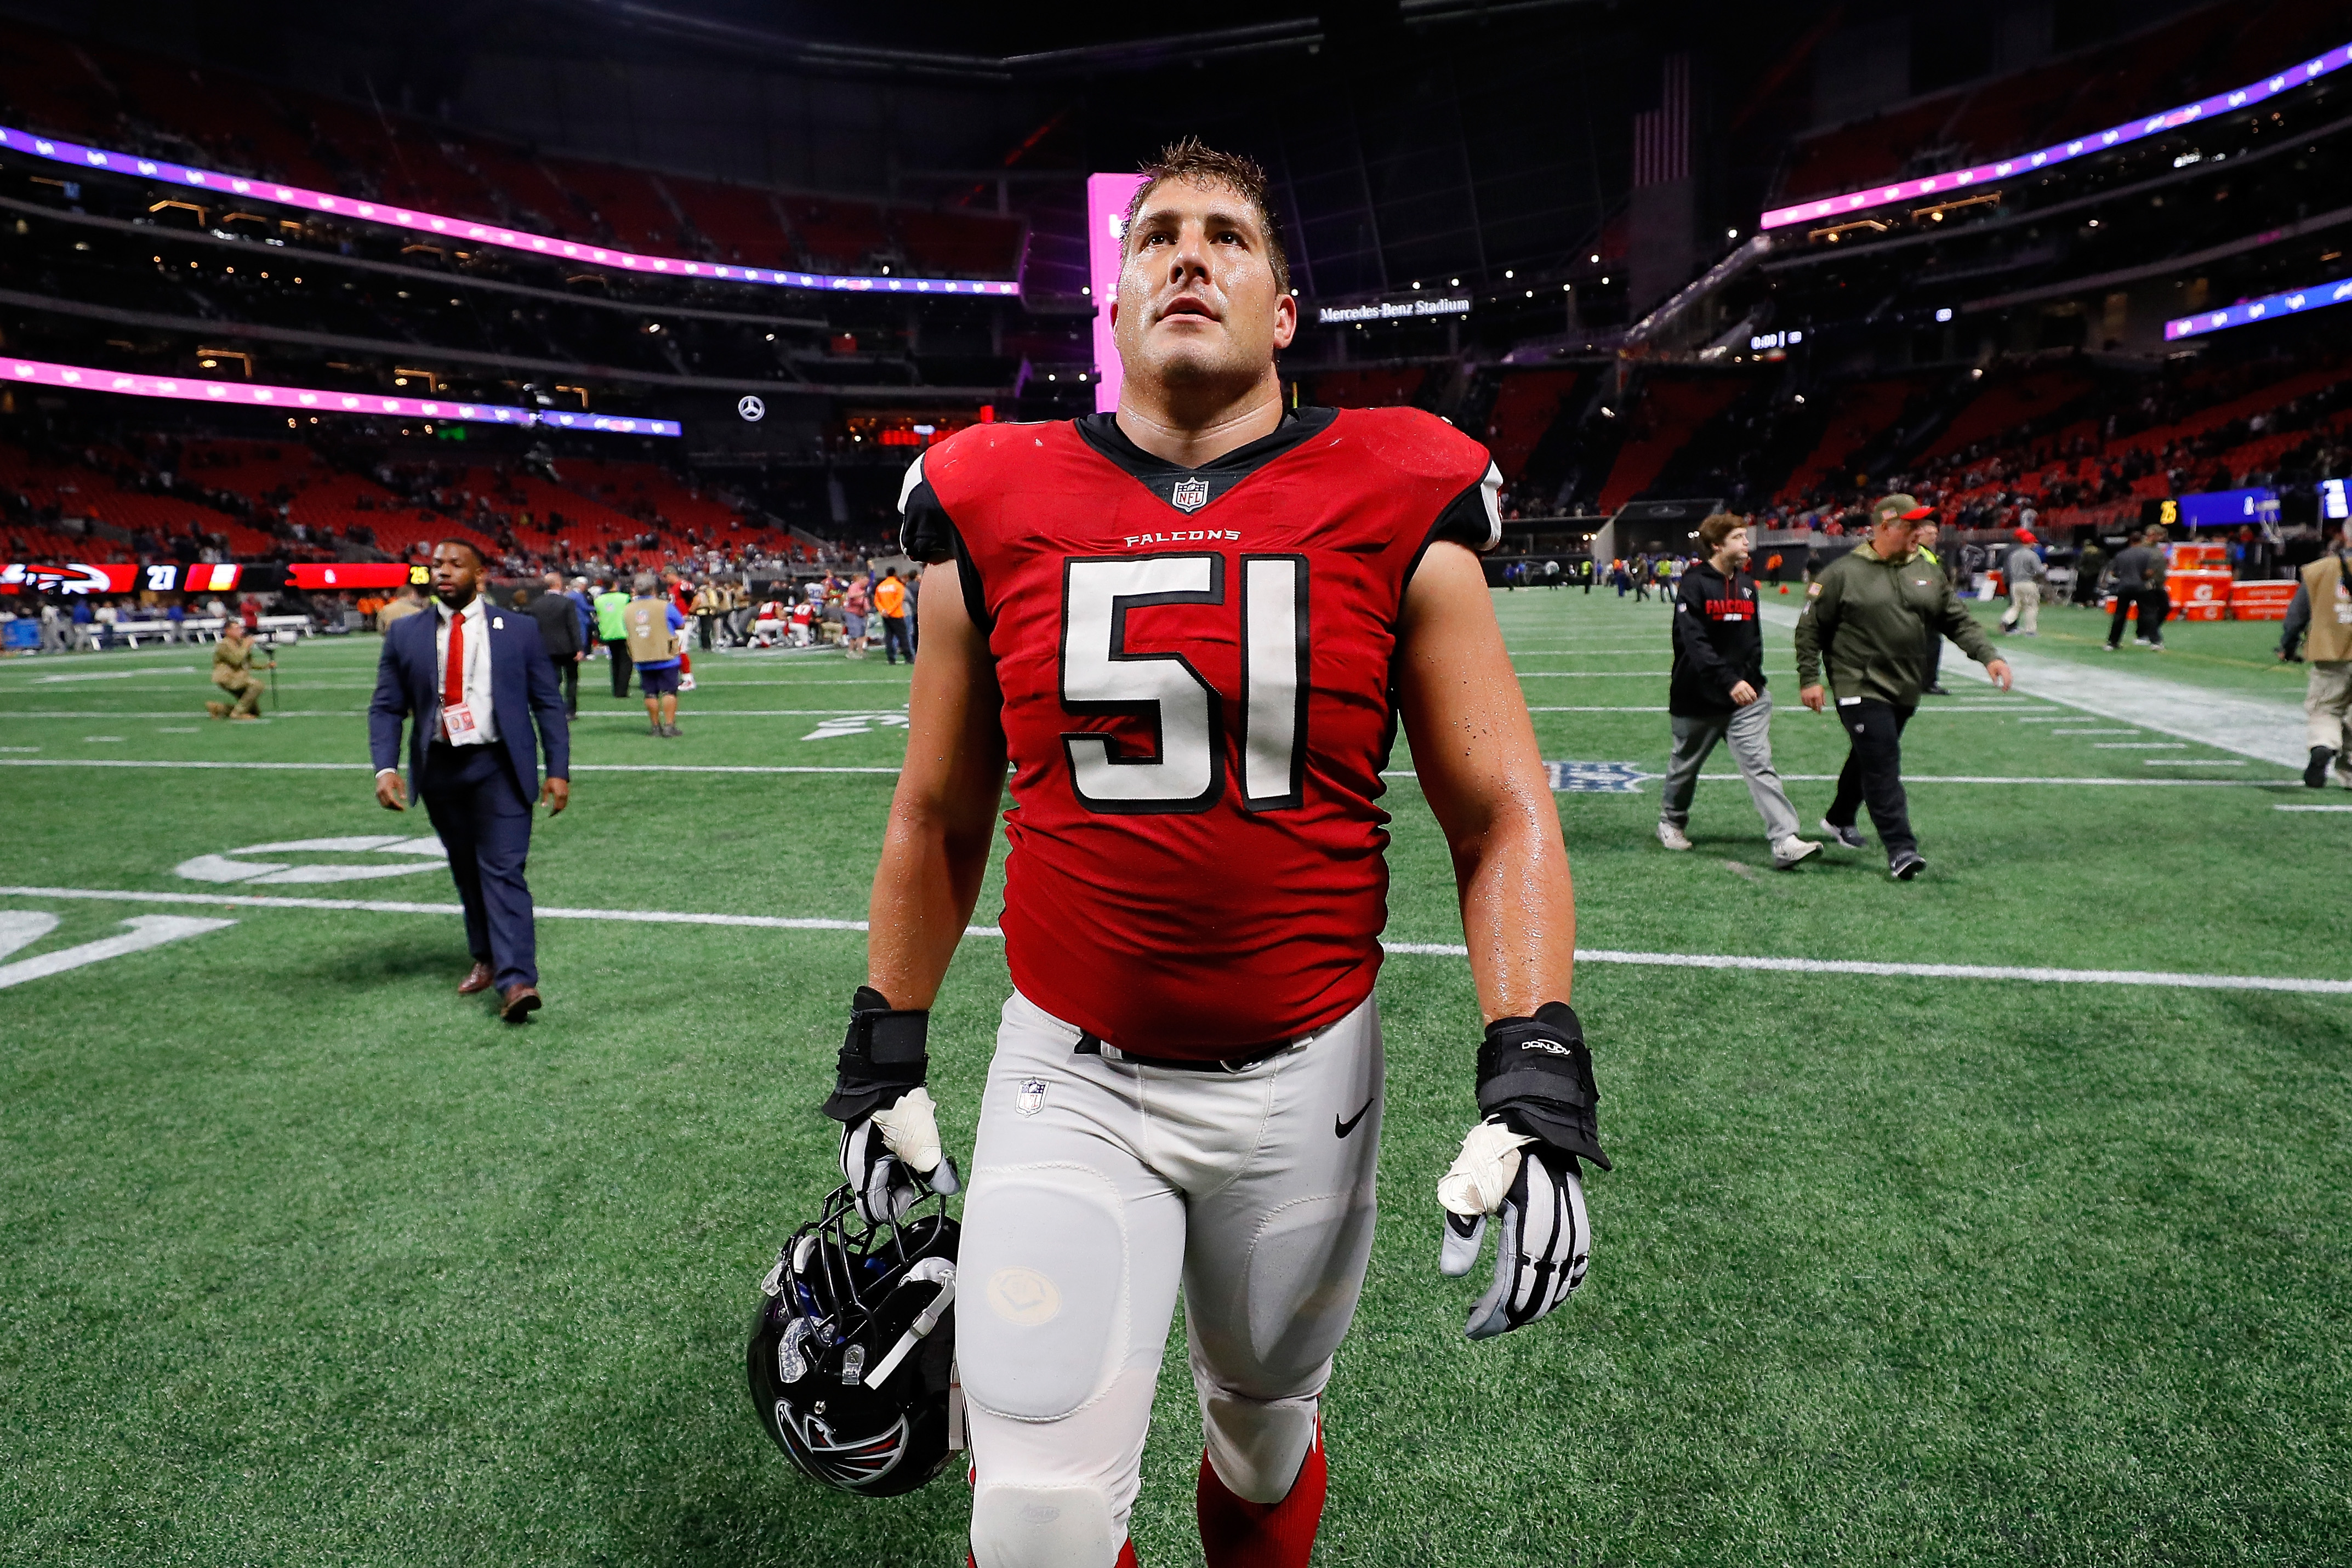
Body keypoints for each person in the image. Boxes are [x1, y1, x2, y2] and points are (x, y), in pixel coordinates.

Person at [826, 141, 1601, 1568]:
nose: (1188, 257)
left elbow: (1499, 811)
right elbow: (934, 812)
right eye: (1157, 240)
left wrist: (1534, 1048)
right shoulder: (989, 493)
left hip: (1303, 1084)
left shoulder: (1397, 480)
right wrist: (886, 1039)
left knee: (1257, 1428)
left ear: (1283, 311)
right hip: (1071, 1073)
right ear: (1112, 308)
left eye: (1226, 238)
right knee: (1036, 1520)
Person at [368, 539, 570, 1022]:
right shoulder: (405, 633)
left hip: (500, 765)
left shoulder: (518, 630)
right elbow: (387, 706)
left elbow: (547, 703)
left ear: (480, 576)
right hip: (439, 767)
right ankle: (485, 954)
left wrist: (558, 770)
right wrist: (385, 766)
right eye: (437, 564)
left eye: (456, 564)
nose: (443, 571)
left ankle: (517, 979)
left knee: (503, 869)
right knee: (466, 868)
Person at [1795, 493, 2013, 880]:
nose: (1919, 532)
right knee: (1882, 762)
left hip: (1904, 685)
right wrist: (1809, 679)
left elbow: (1957, 620)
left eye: (1921, 525)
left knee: (1868, 757)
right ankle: (1901, 849)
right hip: (1857, 683)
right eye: (1909, 525)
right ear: (1884, 526)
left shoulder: (1927, 571)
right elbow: (1810, 629)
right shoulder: (1841, 573)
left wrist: (1989, 656)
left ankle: (1838, 817)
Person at [1658, 514, 1819, 869]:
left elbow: (1751, 640)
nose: (1746, 543)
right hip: (1697, 697)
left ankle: (1784, 839)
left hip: (1747, 700)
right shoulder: (1694, 583)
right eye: (1738, 537)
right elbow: (1694, 642)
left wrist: (1752, 680)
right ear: (1717, 545)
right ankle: (1671, 820)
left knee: (1759, 765)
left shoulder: (1747, 583)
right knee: (1684, 767)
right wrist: (1728, 680)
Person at [2278, 517, 2352, 789]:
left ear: (2345, 537)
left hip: (2331, 652)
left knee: (2325, 709)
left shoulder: (2319, 570)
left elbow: (2296, 616)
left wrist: (2287, 646)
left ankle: (2323, 745)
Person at [624, 572, 687, 737]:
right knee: (669, 691)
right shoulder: (664, 606)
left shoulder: (628, 609)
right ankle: (669, 726)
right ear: (653, 589)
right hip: (666, 654)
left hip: (642, 655)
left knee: (650, 692)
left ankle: (655, 727)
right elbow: (680, 624)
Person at [526, 571, 586, 718]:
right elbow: (573, 626)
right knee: (571, 680)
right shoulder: (567, 602)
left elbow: (533, 628)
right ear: (558, 584)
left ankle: (552, 708)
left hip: (546, 647)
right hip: (567, 648)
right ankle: (570, 711)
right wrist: (579, 648)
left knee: (552, 680)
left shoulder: (537, 604)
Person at [2104, 526, 2171, 650]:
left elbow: (2113, 573)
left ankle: (2112, 643)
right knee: (2149, 613)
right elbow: (2150, 572)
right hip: (2141, 587)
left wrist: (2124, 577)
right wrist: (2143, 578)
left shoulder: (2121, 554)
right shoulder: (2147, 553)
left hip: (2124, 587)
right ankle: (2155, 642)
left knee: (2120, 615)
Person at [1913, 518, 1953, 695]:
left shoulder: (1927, 553)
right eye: (1930, 533)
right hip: (1923, 605)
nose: (1934, 537)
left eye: (1936, 534)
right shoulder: (1918, 553)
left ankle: (1924, 680)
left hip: (1927, 604)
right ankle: (1927, 682)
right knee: (1930, 643)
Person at [206, 619, 273, 721]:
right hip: (228, 678)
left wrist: (265, 666)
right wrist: (246, 646)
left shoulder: (240, 643)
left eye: (240, 628)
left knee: (254, 712)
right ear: (228, 631)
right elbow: (236, 660)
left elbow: (247, 663)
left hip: (239, 678)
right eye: (236, 629)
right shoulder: (224, 645)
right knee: (257, 685)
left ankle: (218, 708)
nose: (240, 631)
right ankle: (236, 714)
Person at [1999, 527, 2046, 636]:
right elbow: (2039, 571)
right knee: (2031, 607)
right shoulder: (2032, 555)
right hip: (2028, 583)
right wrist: (2045, 567)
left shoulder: (2013, 555)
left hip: (2015, 584)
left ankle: (2005, 620)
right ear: (2030, 543)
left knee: (2016, 606)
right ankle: (2030, 631)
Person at [594, 577, 633, 697]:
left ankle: (616, 689)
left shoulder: (599, 600)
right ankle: (622, 691)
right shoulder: (625, 598)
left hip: (608, 633)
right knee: (626, 662)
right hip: (623, 632)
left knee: (615, 662)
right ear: (615, 584)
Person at [872, 565, 913, 664]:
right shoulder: (898, 586)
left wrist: (883, 611)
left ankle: (891, 658)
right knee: (903, 637)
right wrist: (890, 611)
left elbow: (877, 601)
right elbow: (899, 601)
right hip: (897, 615)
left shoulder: (881, 586)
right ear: (895, 573)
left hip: (885, 616)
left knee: (889, 637)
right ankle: (908, 657)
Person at [842, 570, 872, 658]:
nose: (866, 584)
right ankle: (850, 651)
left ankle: (860, 651)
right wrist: (861, 594)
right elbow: (851, 596)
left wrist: (868, 609)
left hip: (862, 613)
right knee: (855, 633)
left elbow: (865, 600)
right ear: (861, 580)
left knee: (862, 633)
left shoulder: (864, 589)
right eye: (865, 581)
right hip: (852, 613)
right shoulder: (854, 586)